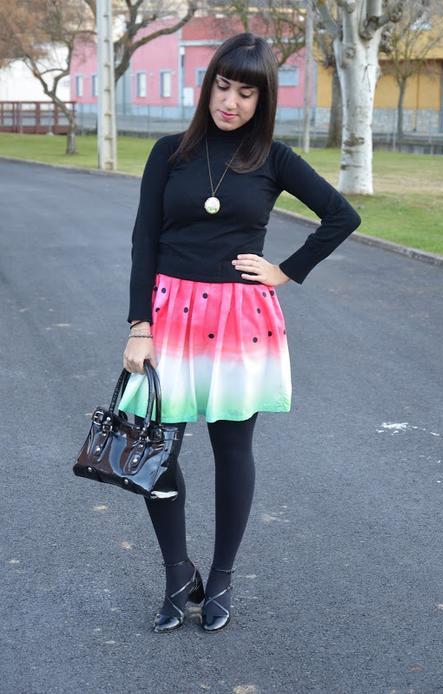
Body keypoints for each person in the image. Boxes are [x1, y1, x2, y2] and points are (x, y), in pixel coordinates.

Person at [119, 31, 361, 634]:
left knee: (232, 450)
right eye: (222, 87)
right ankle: (179, 577)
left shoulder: (273, 159)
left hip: (237, 321)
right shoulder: (168, 152)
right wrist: (138, 326)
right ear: (209, 89)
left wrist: (284, 270)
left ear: (263, 100)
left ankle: (221, 578)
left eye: (245, 93)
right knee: (155, 451)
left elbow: (342, 216)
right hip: (169, 316)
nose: (230, 102)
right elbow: (143, 240)